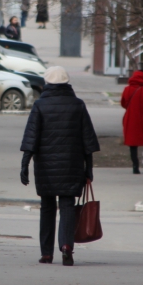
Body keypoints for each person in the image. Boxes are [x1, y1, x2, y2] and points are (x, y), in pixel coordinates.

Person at [20, 66, 100, 266]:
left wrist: (25, 164)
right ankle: (66, 246)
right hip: (72, 166)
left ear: (47, 83)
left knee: (47, 208)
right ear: (67, 82)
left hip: (46, 167)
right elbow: (87, 140)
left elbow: (31, 137)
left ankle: (46, 253)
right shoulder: (78, 105)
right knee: (67, 207)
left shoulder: (40, 105)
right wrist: (88, 169)